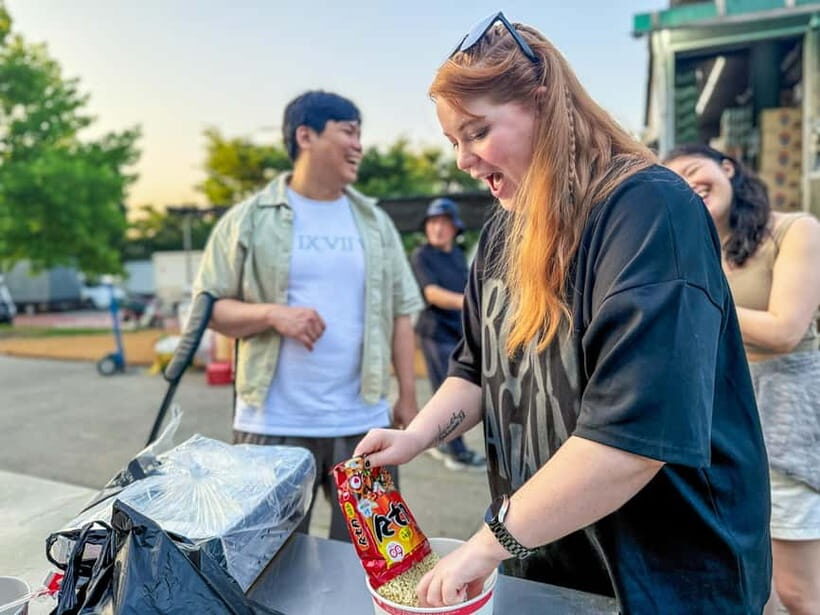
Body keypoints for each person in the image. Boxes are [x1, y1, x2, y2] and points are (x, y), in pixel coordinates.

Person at [355, 13, 771, 613]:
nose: (463, 161)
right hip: (548, 561)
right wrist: (415, 436)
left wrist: (487, 543)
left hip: (664, 578)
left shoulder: (649, 210)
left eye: (476, 132)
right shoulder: (501, 231)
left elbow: (631, 442)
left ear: (543, 105)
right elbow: (476, 370)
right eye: (453, 142)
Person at [194, 90, 423, 541]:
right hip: (271, 425)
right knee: (263, 560)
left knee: (372, 561)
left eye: (360, 134)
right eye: (348, 132)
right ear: (306, 135)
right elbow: (210, 308)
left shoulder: (376, 222)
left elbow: (401, 312)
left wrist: (408, 398)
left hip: (365, 426)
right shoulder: (248, 219)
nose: (359, 145)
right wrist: (274, 314)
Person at [664, 144, 820, 615]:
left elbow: (785, 331)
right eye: (675, 184)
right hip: (722, 428)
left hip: (787, 421)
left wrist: (688, 294)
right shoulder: (691, 252)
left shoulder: (794, 230)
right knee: (754, 585)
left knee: (798, 592)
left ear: (727, 167)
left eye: (694, 171)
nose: (689, 185)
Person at [411, 198, 485, 471]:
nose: (437, 229)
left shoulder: (457, 255)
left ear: (455, 228)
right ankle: (456, 452)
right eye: (432, 223)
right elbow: (432, 294)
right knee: (448, 392)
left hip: (459, 332)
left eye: (443, 223)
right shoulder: (422, 256)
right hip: (435, 333)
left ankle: (449, 446)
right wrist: (474, 301)